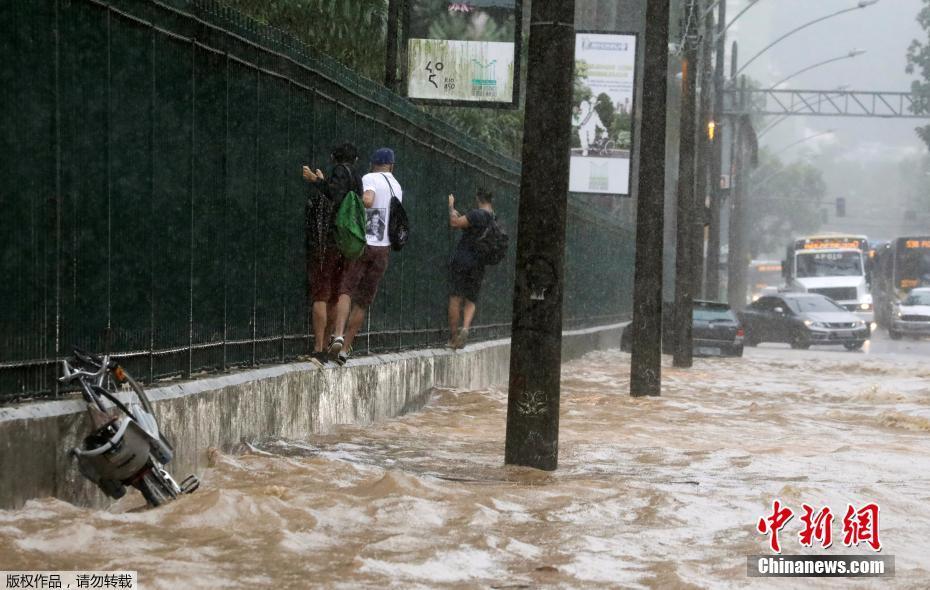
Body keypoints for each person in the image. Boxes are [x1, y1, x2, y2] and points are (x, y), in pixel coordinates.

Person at [327, 147, 403, 365]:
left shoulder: (369, 178)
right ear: (391, 165)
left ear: (373, 163)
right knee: (363, 301)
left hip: (364, 245)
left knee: (346, 289)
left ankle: (338, 335)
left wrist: (355, 200)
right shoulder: (396, 186)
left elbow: (368, 200)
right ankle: (346, 349)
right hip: (383, 249)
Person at [301, 142, 363, 367]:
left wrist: (316, 180)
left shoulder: (339, 171)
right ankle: (330, 342)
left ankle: (318, 348)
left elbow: (334, 194)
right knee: (336, 293)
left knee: (320, 293)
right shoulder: (357, 177)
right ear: (355, 159)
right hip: (347, 243)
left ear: (334, 157)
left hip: (329, 241)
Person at [446, 188, 495, 349]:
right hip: (479, 263)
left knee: (455, 297)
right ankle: (465, 328)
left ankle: (454, 338)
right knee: (471, 299)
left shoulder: (476, 214)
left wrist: (451, 207)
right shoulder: (492, 219)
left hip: (463, 260)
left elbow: (454, 223)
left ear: (478, 199)